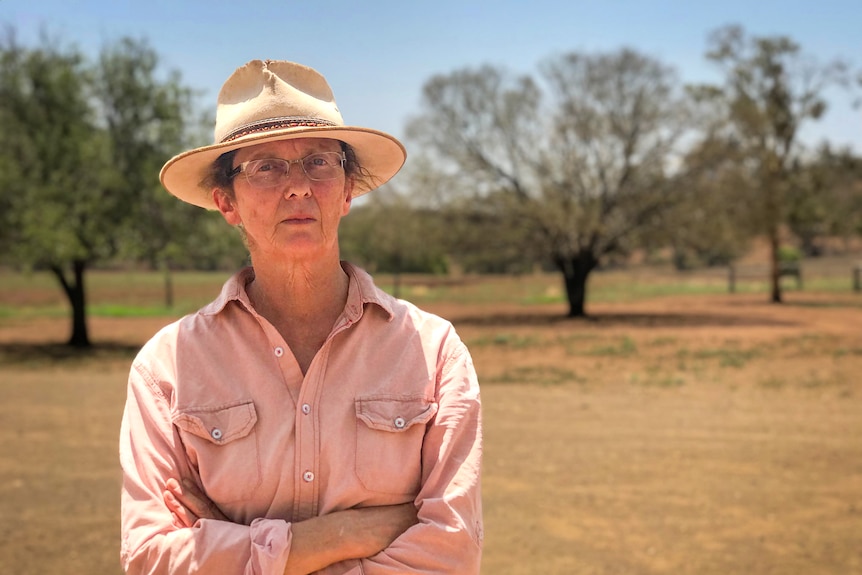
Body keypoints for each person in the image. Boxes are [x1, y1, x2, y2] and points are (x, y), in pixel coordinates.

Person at [118, 59, 483, 575]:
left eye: (319, 162)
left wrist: (247, 551)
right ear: (227, 202)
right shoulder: (168, 368)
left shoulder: (434, 351)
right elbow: (150, 558)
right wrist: (347, 534)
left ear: (348, 190)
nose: (298, 187)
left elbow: (453, 551)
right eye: (266, 166)